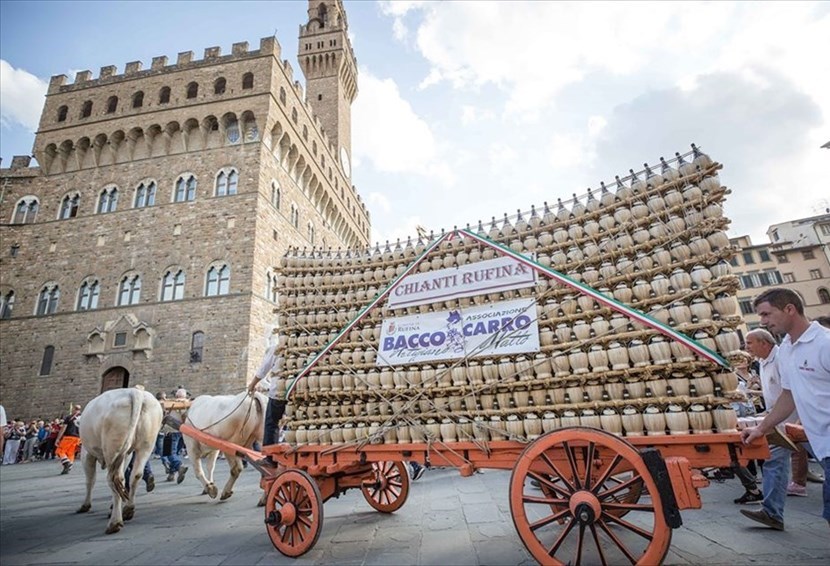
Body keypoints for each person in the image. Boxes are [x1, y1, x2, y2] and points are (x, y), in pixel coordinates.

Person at [741, 288, 830, 530]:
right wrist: (761, 428)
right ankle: (773, 512)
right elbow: (788, 397)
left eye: (767, 314)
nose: (763, 321)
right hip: (820, 442)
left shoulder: (825, 344)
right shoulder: (788, 348)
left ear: (789, 309)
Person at [737, 329, 797, 522]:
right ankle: (771, 512)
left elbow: (790, 392)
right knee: (775, 463)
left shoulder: (781, 359)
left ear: (765, 343)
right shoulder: (763, 362)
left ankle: (772, 512)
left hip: (793, 421)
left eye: (750, 342)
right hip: (778, 420)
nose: (747, 347)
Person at [247, 337, 287, 457]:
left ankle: (270, 457)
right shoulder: (302, 347)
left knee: (272, 424)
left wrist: (252, 384)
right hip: (297, 391)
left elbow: (263, 369)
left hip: (278, 393)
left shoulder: (277, 349)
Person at [55, 405, 82, 474]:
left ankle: (66, 463)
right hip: (78, 438)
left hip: (69, 437)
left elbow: (63, 428)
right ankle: (69, 467)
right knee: (70, 453)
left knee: (60, 451)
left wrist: (58, 438)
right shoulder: (83, 417)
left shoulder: (69, 417)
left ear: (74, 409)